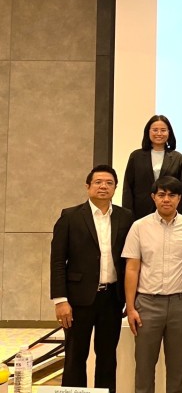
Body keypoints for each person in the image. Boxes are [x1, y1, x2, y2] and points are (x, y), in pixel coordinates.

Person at [50, 165, 134, 391]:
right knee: (75, 357)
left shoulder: (126, 217)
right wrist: (60, 300)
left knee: (107, 358)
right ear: (88, 186)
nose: (103, 186)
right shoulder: (70, 216)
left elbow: (130, 260)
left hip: (112, 298)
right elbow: (57, 260)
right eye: (98, 182)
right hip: (77, 300)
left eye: (109, 183)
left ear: (115, 188)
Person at [122, 176, 182, 393]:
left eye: (172, 195)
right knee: (144, 367)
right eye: (161, 195)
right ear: (153, 197)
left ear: (179, 198)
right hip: (147, 305)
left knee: (178, 368)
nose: (166, 199)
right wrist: (131, 307)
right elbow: (132, 268)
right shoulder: (139, 227)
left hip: (181, 304)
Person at [122, 115, 182, 220]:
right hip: (141, 211)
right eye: (155, 130)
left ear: (169, 132)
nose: (159, 133)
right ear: (148, 132)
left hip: (169, 211)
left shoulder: (178, 158)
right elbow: (128, 187)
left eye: (163, 130)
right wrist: (127, 213)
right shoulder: (136, 156)